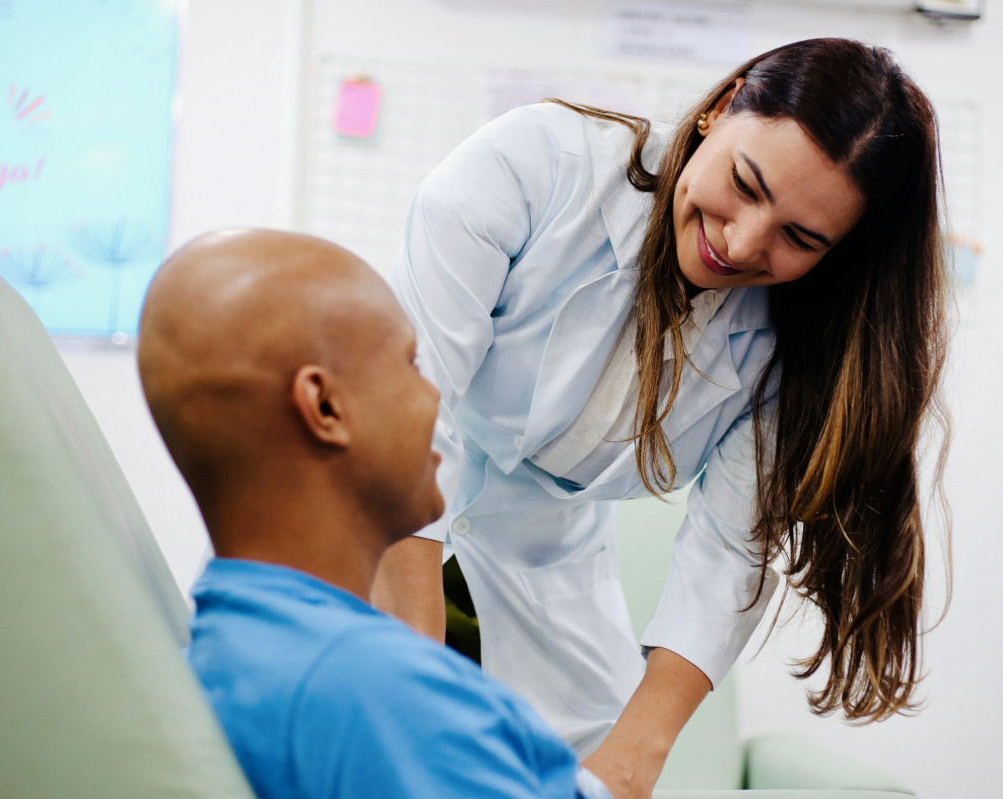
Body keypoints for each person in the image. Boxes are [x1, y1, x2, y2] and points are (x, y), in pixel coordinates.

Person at [377, 37, 950, 798]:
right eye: (746, 185)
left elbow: (725, 554)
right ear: (720, 107)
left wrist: (629, 765)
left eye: (801, 238)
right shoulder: (536, 164)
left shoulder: (795, 343)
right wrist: (408, 683)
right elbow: (411, 418)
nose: (741, 242)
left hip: (554, 579)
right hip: (376, 526)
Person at [136, 228, 613, 799]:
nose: (437, 396)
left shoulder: (231, 652)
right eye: (412, 363)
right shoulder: (371, 688)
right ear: (327, 407)